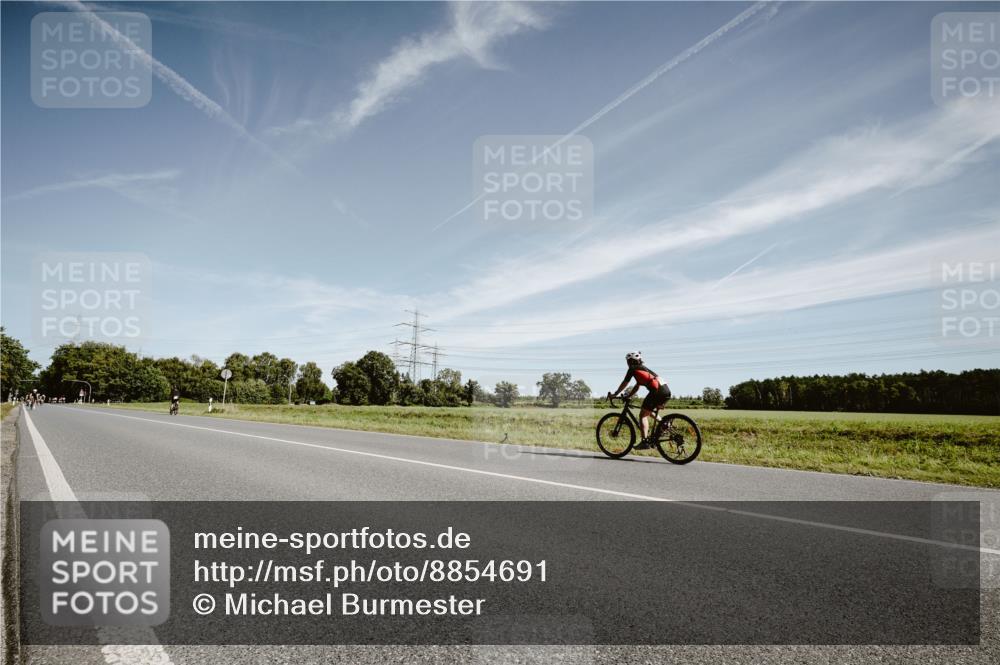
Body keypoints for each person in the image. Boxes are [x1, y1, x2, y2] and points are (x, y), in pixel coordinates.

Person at [609, 351, 671, 449]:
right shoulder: (644, 369)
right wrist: (629, 396)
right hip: (665, 391)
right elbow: (637, 386)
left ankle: (644, 441)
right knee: (648, 411)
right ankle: (664, 423)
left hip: (657, 392)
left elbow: (625, 383)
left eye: (628, 361)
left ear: (631, 361)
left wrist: (615, 394)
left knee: (642, 415)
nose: (627, 363)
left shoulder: (633, 369)